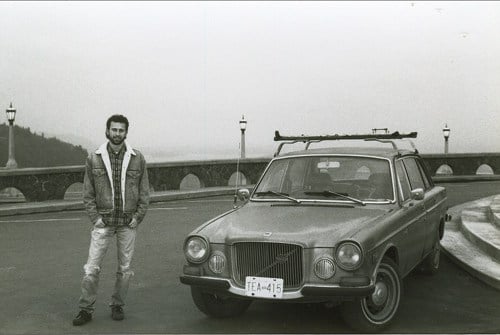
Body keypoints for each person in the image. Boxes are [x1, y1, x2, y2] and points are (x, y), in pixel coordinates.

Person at [73, 114, 150, 326]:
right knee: (91, 268)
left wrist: (138, 217)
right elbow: (87, 193)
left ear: (126, 132)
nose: (117, 134)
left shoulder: (137, 158)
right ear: (107, 131)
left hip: (127, 222)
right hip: (103, 222)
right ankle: (85, 309)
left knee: (125, 269)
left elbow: (144, 193)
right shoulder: (94, 158)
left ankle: (118, 305)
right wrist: (95, 218)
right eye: (114, 130)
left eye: (121, 130)